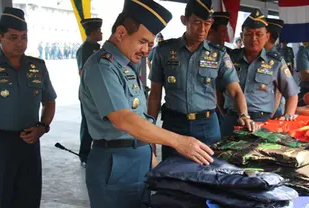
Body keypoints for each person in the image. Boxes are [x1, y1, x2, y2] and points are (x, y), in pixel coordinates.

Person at [79, 1, 215, 207]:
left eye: (150, 44)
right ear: (121, 33)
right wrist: (178, 141)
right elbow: (123, 119)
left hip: (138, 158)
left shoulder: (125, 65)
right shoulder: (102, 66)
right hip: (115, 163)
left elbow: (140, 115)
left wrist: (149, 154)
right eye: (142, 42)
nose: (145, 50)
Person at [148, 0, 257, 161]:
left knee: (208, 175)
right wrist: (150, 129)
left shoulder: (218, 54)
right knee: (171, 175)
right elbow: (155, 94)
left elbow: (235, 91)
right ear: (184, 20)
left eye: (207, 23)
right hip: (174, 125)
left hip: (207, 125)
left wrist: (244, 115)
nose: (202, 29)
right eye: (197, 23)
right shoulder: (164, 51)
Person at [0, 7, 57, 208]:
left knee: (28, 199)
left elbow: (50, 101)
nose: (20, 43)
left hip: (29, 143)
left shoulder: (38, 66)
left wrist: (42, 127)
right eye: (13, 37)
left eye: (24, 37)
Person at [222, 9, 298, 136]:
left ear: (267, 36)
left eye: (259, 34)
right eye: (249, 34)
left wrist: (288, 116)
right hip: (232, 120)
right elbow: (218, 90)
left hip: (261, 121)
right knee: (223, 155)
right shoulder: (229, 58)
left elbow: (292, 94)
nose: (254, 39)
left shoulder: (276, 62)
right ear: (242, 36)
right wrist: (225, 112)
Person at [76, 18, 103, 166]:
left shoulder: (97, 47)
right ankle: (84, 155)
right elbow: (82, 72)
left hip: (97, 93)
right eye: (99, 31)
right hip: (88, 94)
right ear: (93, 33)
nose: (101, 33)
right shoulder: (85, 49)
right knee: (87, 124)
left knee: (96, 123)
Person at [207, 11, 231, 134]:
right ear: (211, 32)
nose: (225, 37)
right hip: (208, 108)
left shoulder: (229, 54)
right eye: (222, 32)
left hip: (225, 108)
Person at [264, 18, 286, 118]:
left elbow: (278, 91)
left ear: (267, 36)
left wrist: (272, 113)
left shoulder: (274, 57)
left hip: (271, 109)